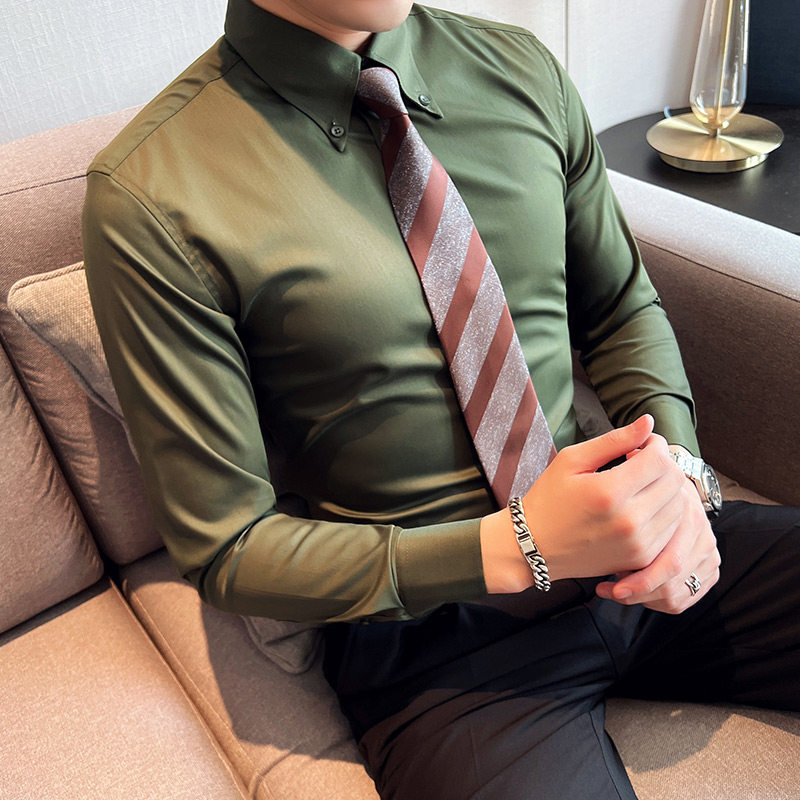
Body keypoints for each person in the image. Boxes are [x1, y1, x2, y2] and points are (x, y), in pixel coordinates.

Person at [82, 1, 800, 797]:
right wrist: (521, 544)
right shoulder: (151, 192)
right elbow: (229, 547)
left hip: (633, 527)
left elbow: (620, 306)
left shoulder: (521, 70)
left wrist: (681, 485)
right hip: (441, 644)